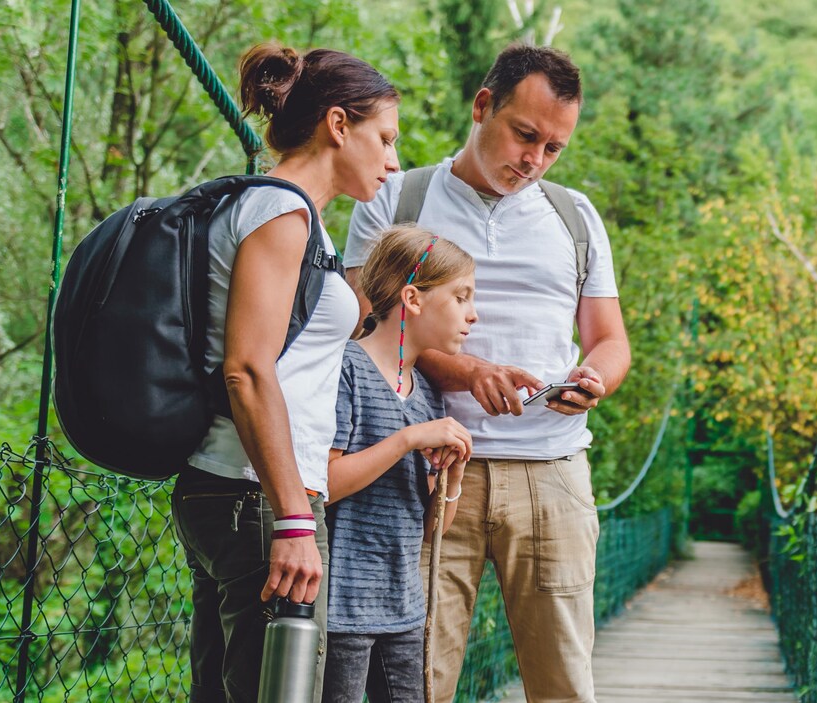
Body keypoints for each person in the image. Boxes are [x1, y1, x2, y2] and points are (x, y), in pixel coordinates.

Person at [346, 43, 630, 703]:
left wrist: (595, 378)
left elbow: (610, 339)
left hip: (553, 474)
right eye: (524, 134)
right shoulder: (394, 197)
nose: (534, 159)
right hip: (422, 470)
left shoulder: (575, 217)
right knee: (413, 681)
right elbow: (362, 330)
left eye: (553, 148)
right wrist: (470, 372)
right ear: (482, 107)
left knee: (562, 683)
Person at [171, 42, 399, 703]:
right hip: (264, 495)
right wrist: (295, 519)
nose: (392, 160)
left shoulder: (285, 214)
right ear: (338, 124)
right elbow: (247, 367)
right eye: (383, 137)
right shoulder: (282, 212)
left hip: (237, 490)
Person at [322, 225, 476, 703]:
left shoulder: (426, 393)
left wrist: (452, 473)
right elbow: (323, 483)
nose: (473, 314)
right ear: (413, 298)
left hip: (404, 607)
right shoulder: (347, 368)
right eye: (461, 297)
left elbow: (434, 526)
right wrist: (408, 439)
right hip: (341, 609)